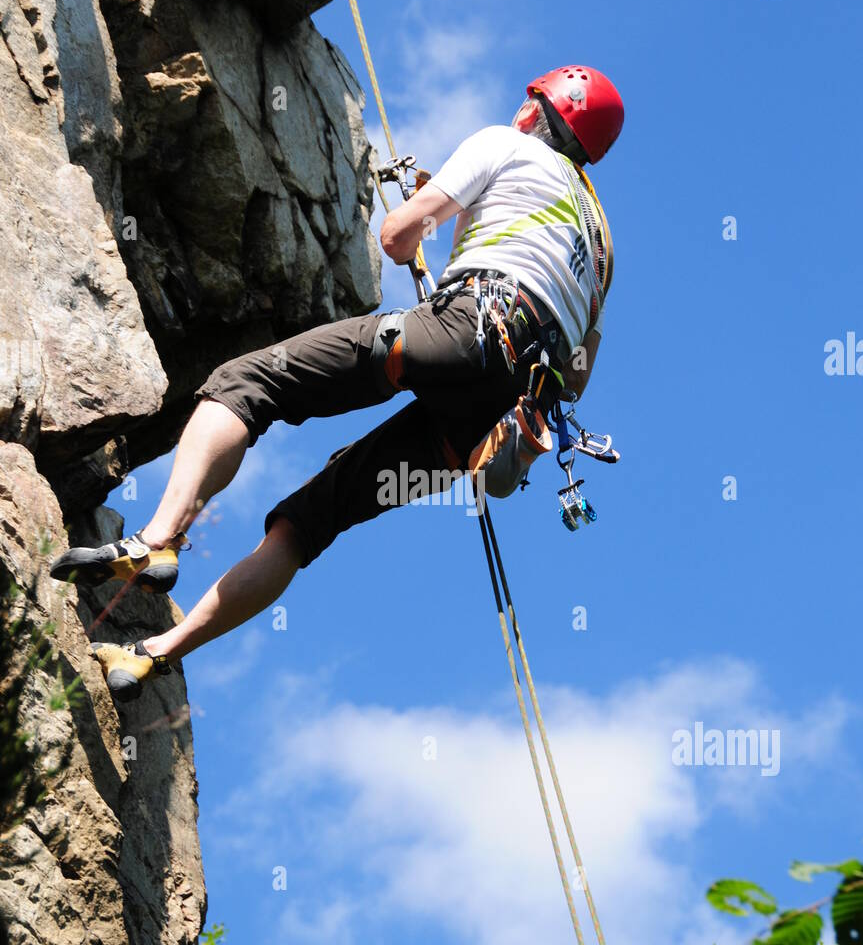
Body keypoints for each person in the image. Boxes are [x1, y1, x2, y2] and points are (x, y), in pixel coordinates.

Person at [50, 65, 623, 700]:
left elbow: (399, 237)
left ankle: (157, 541)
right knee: (309, 523)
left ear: (533, 109)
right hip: (493, 417)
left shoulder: (504, 145)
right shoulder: (601, 245)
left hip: (464, 327)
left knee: (246, 383)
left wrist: (421, 219)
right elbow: (576, 378)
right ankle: (151, 656)